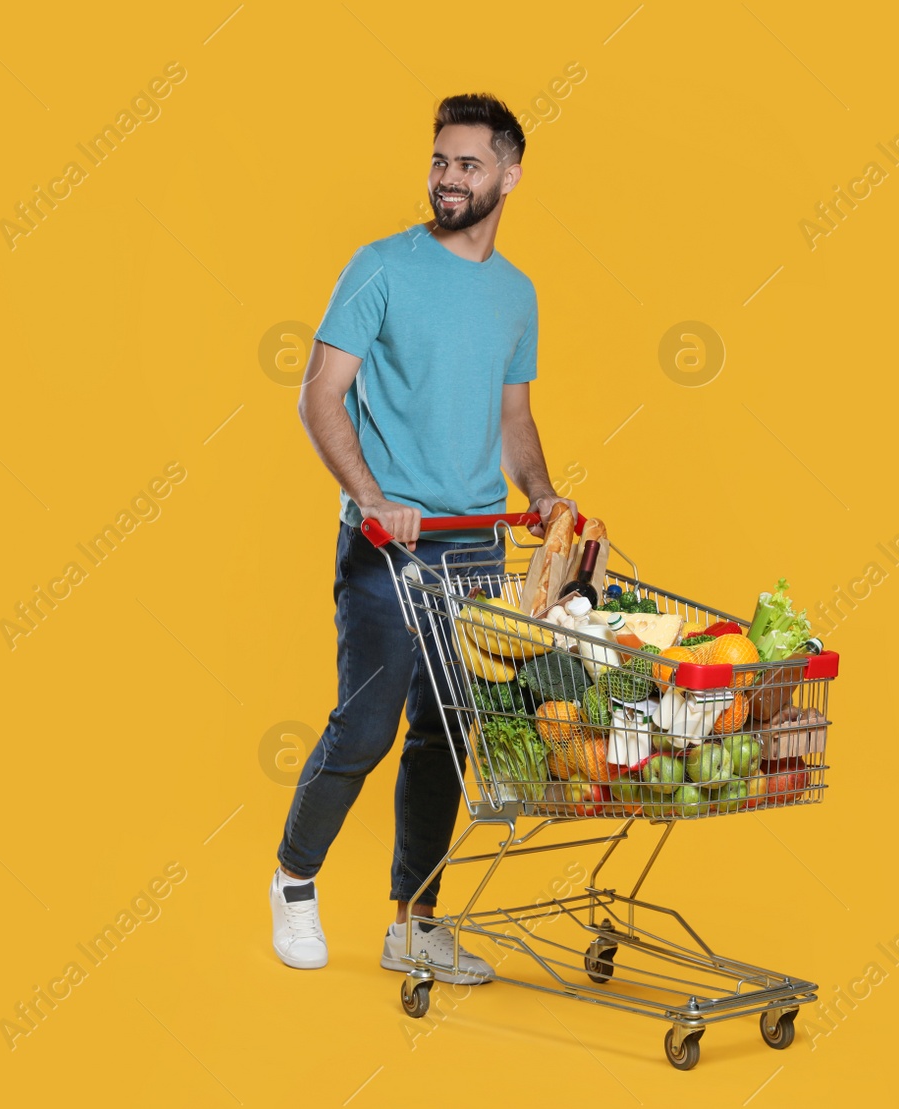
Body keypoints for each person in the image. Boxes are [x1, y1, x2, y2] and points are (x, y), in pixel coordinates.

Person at [271, 93, 573, 982]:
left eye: (468, 165)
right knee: (364, 726)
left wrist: (545, 493)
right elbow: (320, 392)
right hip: (389, 544)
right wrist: (370, 496)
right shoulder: (381, 268)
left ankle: (417, 921)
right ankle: (294, 880)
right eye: (440, 162)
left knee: (448, 730)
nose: (448, 178)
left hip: (478, 545)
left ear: (509, 176)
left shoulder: (516, 295)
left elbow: (513, 414)